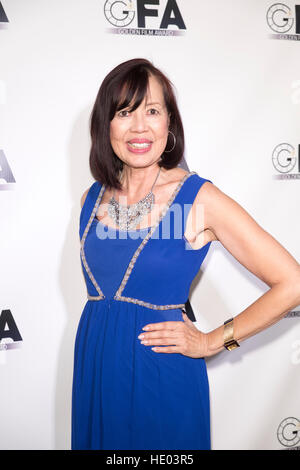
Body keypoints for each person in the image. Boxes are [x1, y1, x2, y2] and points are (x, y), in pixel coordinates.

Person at [71, 58, 300, 450]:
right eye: (124, 112)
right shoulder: (92, 198)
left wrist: (213, 341)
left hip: (161, 379)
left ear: (169, 123)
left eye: (153, 111)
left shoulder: (198, 199)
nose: (139, 126)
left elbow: (292, 283)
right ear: (105, 124)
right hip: (96, 369)